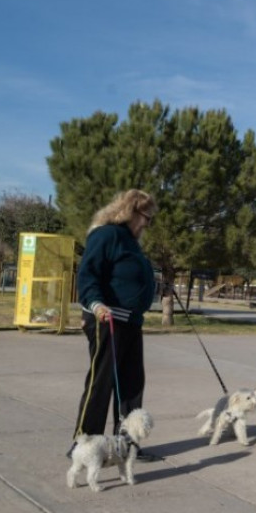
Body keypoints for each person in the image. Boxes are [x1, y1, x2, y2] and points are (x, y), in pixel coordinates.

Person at [70, 189, 159, 460]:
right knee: (102, 382)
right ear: (131, 211)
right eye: (146, 217)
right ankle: (84, 444)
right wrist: (96, 303)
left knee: (132, 383)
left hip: (131, 321)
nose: (147, 224)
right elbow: (88, 274)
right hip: (106, 319)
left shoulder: (131, 242)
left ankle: (126, 444)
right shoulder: (106, 235)